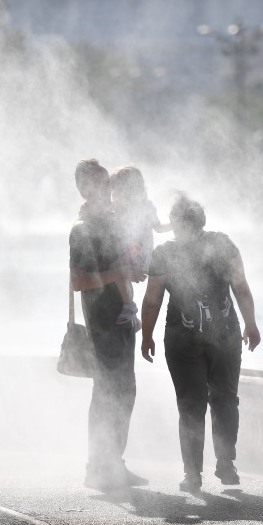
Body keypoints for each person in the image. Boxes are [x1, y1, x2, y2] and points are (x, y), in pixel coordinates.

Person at [140, 194, 261, 493]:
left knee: (190, 405)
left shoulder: (165, 253)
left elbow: (153, 299)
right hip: (225, 335)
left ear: (177, 223)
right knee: (225, 398)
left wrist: (146, 336)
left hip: (183, 339)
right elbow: (241, 287)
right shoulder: (223, 245)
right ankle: (226, 463)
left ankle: (192, 474)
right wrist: (251, 324)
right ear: (201, 221)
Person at [69, 159, 148, 490]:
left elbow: (124, 267)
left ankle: (112, 463)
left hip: (121, 319)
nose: (109, 190)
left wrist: (132, 298)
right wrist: (121, 273)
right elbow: (78, 281)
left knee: (124, 390)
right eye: (101, 184)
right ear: (85, 188)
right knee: (107, 392)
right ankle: (97, 467)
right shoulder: (82, 230)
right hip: (101, 322)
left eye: (109, 184)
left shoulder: (112, 224)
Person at [109, 166, 172, 328]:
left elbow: (158, 227)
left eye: (117, 191)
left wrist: (175, 225)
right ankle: (130, 311)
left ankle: (129, 306)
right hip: (128, 249)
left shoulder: (145, 207)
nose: (113, 196)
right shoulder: (116, 209)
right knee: (117, 272)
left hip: (140, 252)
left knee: (116, 269)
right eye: (113, 192)